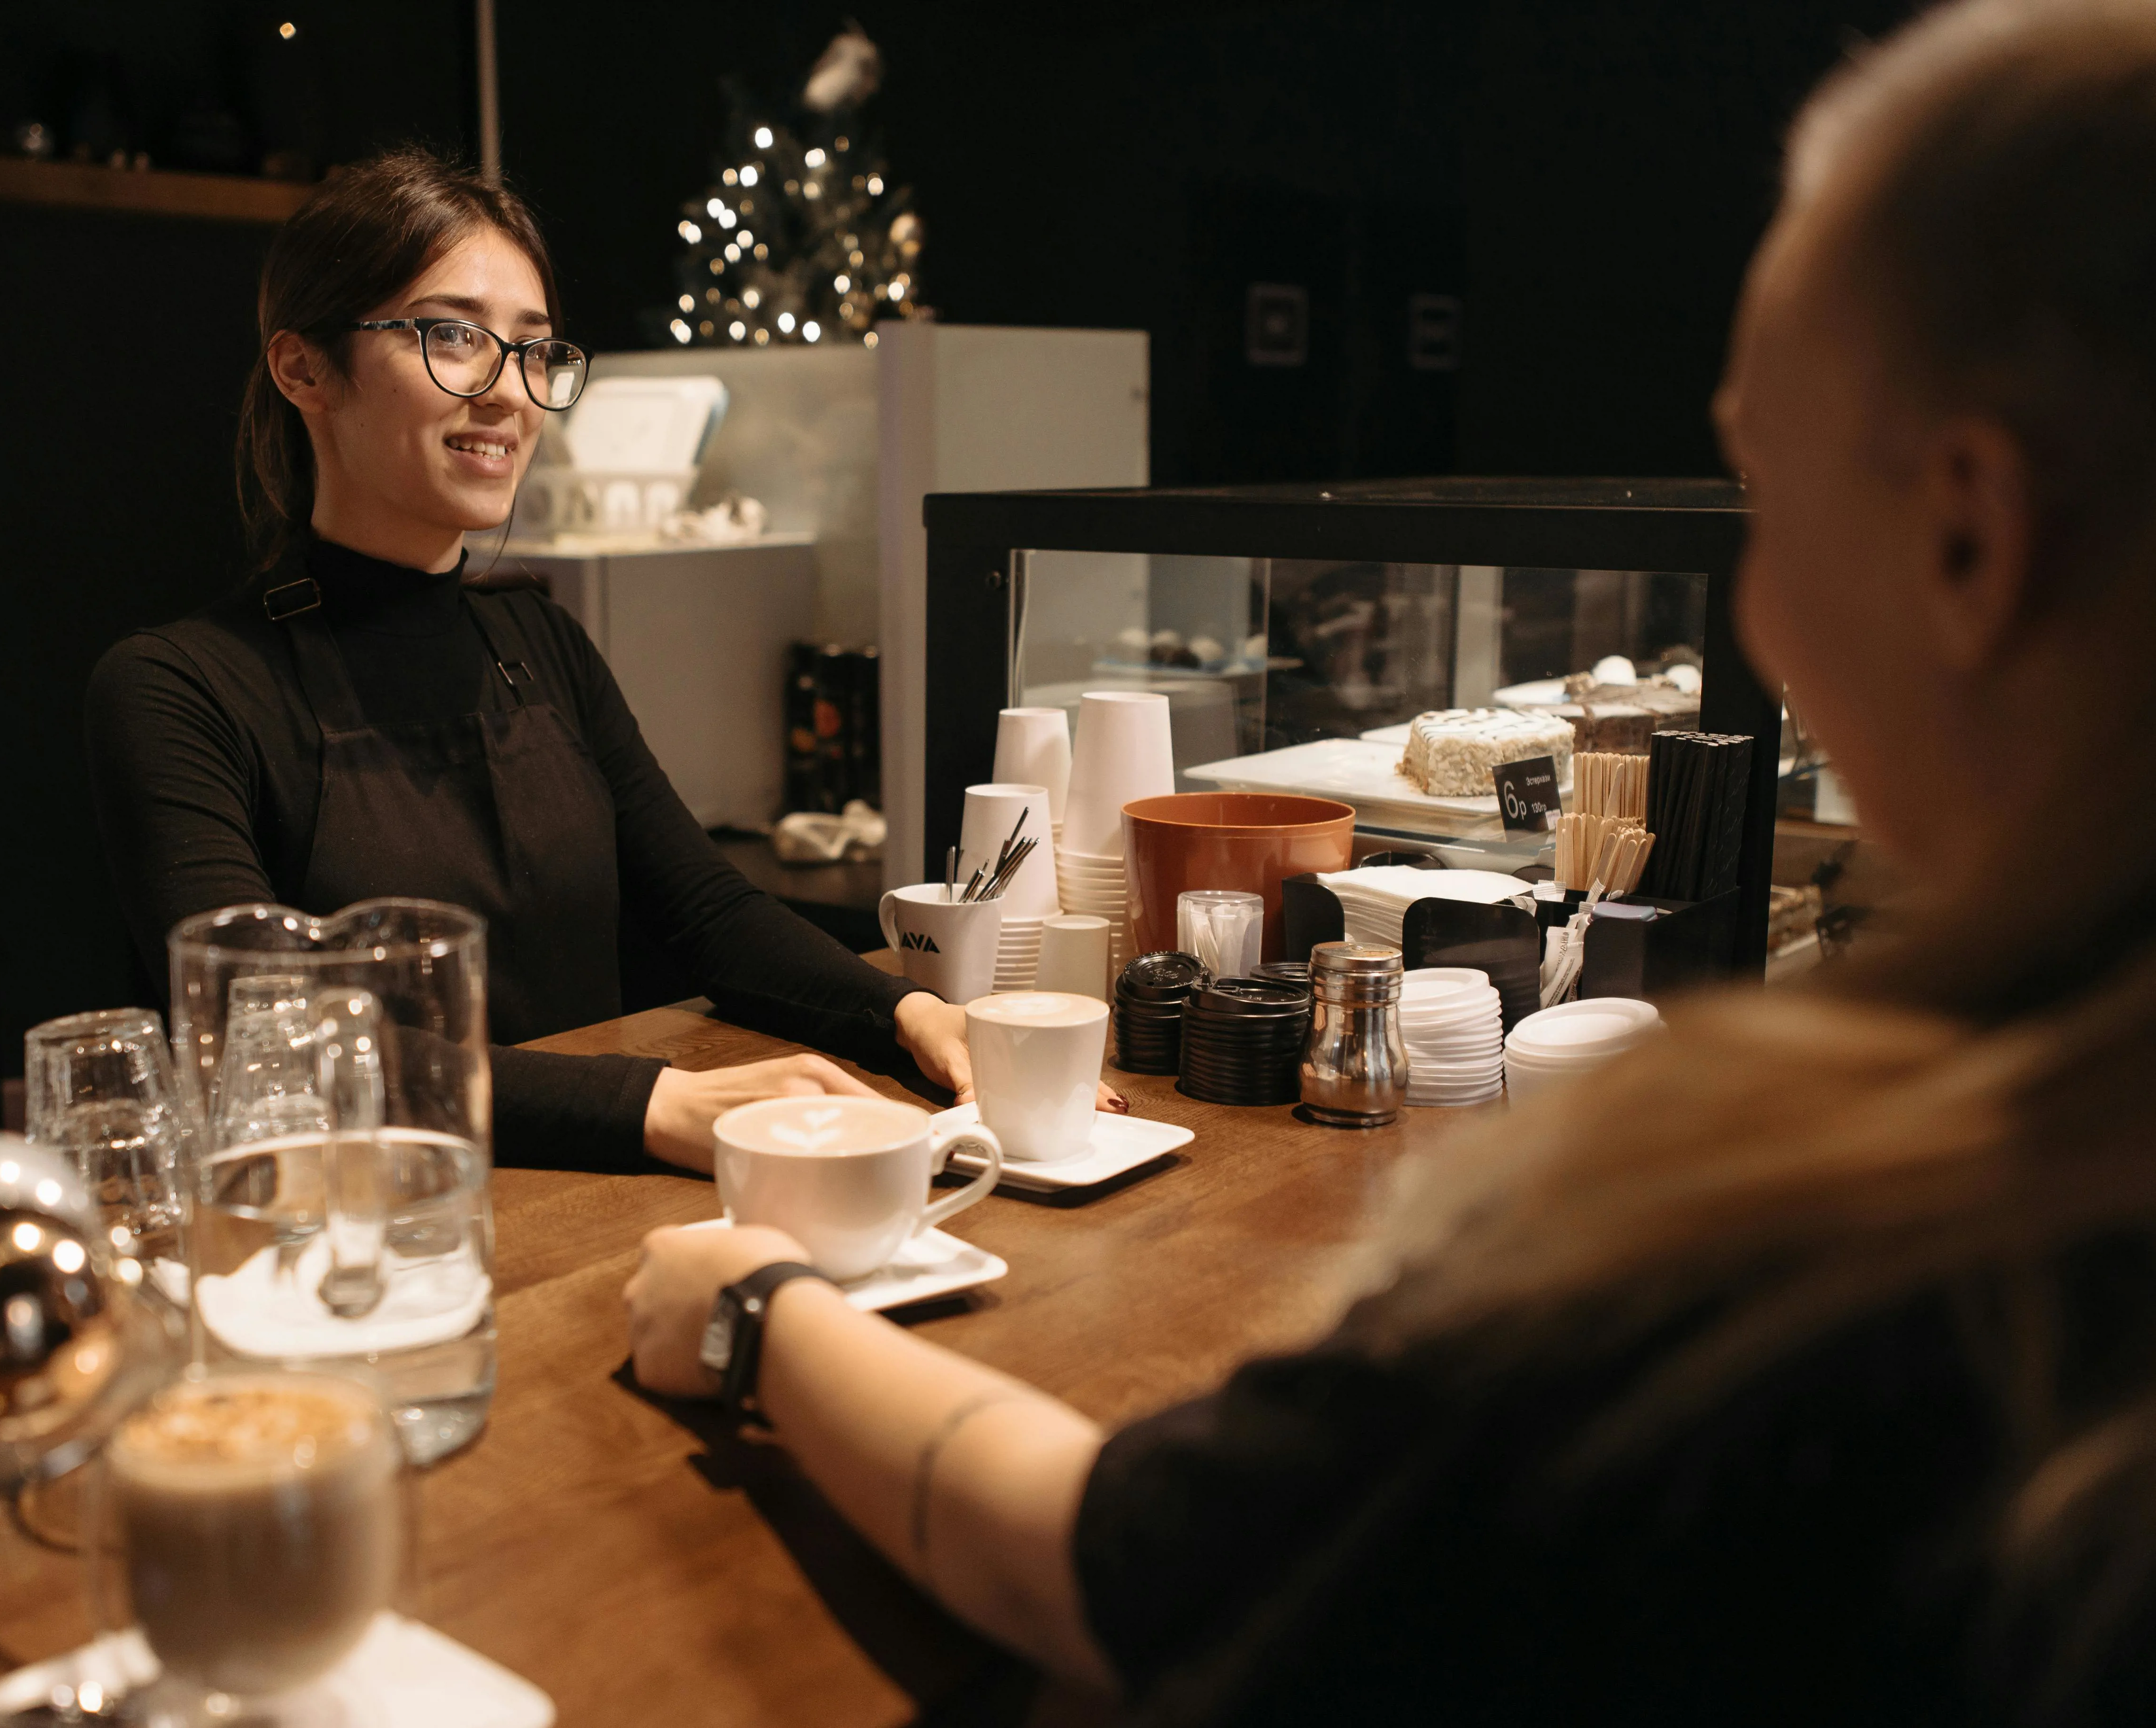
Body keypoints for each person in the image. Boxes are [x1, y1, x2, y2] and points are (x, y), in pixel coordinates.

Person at [623, 2, 2156, 1719]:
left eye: (1764, 489)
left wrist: (764, 1306)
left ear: (1969, 536)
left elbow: (1122, 1564)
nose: (1755, 602)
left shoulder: (1786, 1271)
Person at [86, 149, 1018, 1174]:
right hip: (357, 1241)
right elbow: (273, 1046)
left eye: (531, 352)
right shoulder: (180, 690)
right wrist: (658, 1103)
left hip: (595, 1202)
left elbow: (708, 912)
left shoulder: (540, 643)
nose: (507, 394)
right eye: (452, 337)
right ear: (304, 367)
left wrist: (912, 1012)